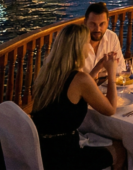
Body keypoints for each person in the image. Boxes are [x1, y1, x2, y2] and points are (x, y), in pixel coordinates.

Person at [30, 24, 125, 170]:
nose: (91, 46)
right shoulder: (80, 79)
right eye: (88, 42)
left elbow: (78, 88)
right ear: (79, 47)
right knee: (120, 148)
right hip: (65, 158)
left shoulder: (48, 72)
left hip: (43, 150)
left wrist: (98, 68)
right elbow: (110, 109)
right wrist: (111, 73)